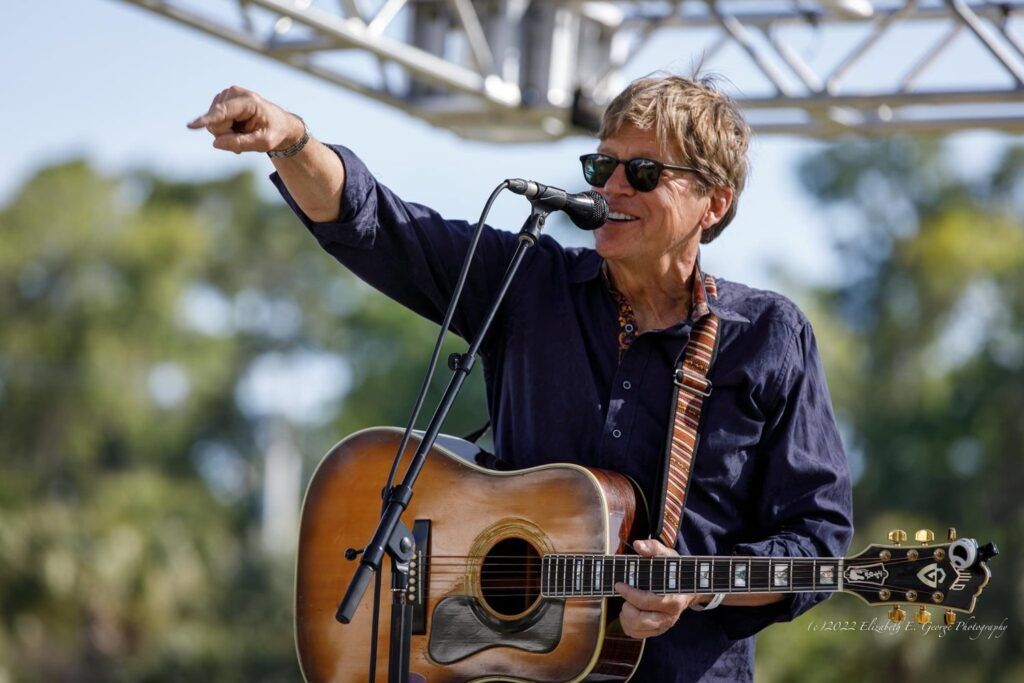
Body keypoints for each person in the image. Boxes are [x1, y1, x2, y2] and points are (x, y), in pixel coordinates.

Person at [188, 75, 853, 682]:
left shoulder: (768, 336)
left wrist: (696, 586)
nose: (612, 187)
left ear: (713, 201)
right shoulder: (529, 280)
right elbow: (382, 228)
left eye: (643, 172)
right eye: (602, 166)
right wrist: (294, 141)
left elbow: (817, 542)